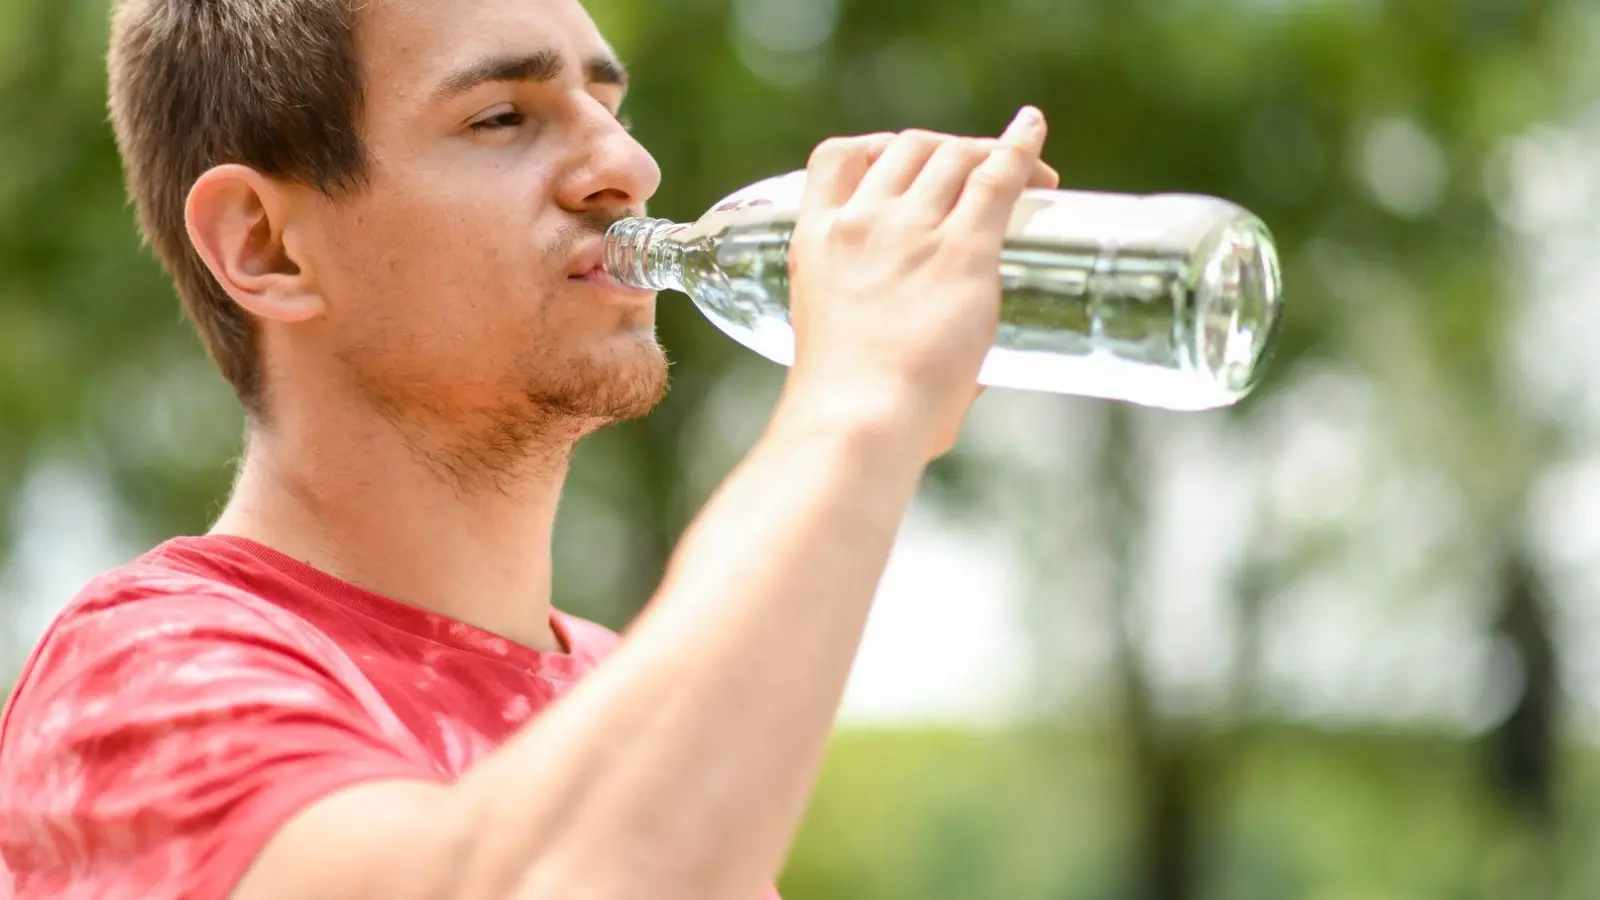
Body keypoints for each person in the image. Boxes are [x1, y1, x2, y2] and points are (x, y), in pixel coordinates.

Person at [0, 0, 1057, 897]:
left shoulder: (619, 690)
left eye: (609, 106)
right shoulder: (143, 682)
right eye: (505, 117)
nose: (629, 167)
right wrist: (859, 406)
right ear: (264, 245)